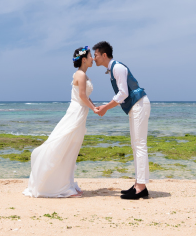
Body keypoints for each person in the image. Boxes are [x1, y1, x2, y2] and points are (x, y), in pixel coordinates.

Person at [23, 46, 96, 198]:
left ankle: (67, 183)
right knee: (65, 145)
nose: (93, 58)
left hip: (80, 113)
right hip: (75, 113)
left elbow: (84, 96)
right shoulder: (80, 75)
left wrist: (94, 107)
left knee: (72, 149)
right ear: (84, 59)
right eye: (90, 56)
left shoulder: (83, 75)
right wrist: (95, 109)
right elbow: (82, 96)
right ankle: (60, 186)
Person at [92, 41, 151, 200]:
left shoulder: (117, 68)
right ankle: (139, 184)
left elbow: (123, 93)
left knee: (139, 145)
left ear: (104, 55)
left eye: (96, 55)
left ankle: (140, 187)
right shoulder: (112, 69)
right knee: (136, 145)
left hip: (138, 105)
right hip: (136, 106)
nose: (94, 58)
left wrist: (106, 107)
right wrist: (107, 105)